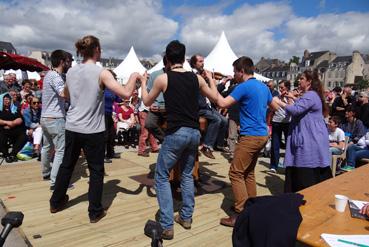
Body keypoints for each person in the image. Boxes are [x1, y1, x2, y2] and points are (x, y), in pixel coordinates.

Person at [49, 35, 141, 224]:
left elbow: (65, 95)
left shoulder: (72, 71)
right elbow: (125, 92)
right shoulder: (102, 72)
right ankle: (95, 211)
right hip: (92, 130)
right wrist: (133, 77)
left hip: (72, 126)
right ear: (97, 50)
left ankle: (56, 202)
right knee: (96, 170)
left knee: (67, 165)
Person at [141, 40, 219, 240]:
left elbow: (146, 101)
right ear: (184, 59)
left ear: (167, 59)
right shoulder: (197, 79)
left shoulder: (163, 79)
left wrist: (142, 82)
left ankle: (167, 225)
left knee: (161, 175)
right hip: (194, 133)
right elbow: (217, 99)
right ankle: (186, 217)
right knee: (186, 175)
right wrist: (210, 79)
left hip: (176, 132)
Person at [214, 56, 278, 227]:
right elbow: (274, 107)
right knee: (248, 172)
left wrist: (210, 84)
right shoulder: (263, 87)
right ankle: (252, 207)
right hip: (262, 135)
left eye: (235, 71)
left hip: (250, 136)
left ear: (241, 71)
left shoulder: (243, 87)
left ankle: (240, 213)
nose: (234, 74)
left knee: (235, 173)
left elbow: (221, 102)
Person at [275, 70, 332, 193]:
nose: (299, 80)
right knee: (304, 166)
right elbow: (301, 107)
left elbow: (296, 110)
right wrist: (292, 98)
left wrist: (279, 102)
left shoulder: (310, 95)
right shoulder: (311, 95)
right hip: (310, 135)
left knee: (306, 168)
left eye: (301, 78)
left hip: (310, 137)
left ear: (309, 81)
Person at [40, 49, 71, 187]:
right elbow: (63, 94)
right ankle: (56, 182)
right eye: (68, 61)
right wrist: (71, 80)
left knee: (46, 147)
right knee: (60, 150)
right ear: (61, 61)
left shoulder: (48, 75)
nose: (69, 64)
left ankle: (46, 172)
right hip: (55, 118)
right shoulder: (56, 77)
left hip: (46, 117)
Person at [190, 54, 228, 159]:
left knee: (224, 121)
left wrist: (212, 80)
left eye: (203, 61)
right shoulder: (192, 76)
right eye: (200, 61)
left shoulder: (204, 76)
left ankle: (217, 144)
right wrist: (205, 78)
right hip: (199, 107)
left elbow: (213, 93)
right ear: (194, 63)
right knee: (216, 120)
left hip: (208, 106)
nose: (203, 63)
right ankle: (206, 146)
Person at [269, 80, 291, 173]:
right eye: (279, 87)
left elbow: (293, 109)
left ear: (287, 87)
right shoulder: (276, 97)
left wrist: (288, 99)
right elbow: (271, 108)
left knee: (288, 145)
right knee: (275, 144)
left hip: (287, 123)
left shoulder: (291, 97)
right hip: (276, 122)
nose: (280, 89)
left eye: (282, 87)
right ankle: (274, 165)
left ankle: (288, 165)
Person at [0, 93, 27, 163]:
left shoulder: (15, 109)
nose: (7, 101)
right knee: (1, 138)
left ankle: (13, 154)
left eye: (8, 99)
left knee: (23, 136)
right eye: (5, 99)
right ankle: (6, 155)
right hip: (3, 130)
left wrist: (13, 123)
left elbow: (20, 119)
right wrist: (7, 123)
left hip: (15, 129)